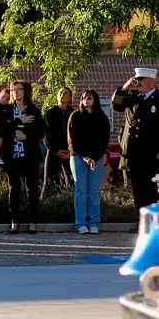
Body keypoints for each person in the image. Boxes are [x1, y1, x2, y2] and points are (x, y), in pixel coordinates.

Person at [2, 80, 45, 234]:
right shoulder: (7, 111)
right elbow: (3, 128)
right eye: (13, 89)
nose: (16, 92)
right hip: (13, 156)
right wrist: (18, 121)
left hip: (30, 155)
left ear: (26, 91)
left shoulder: (34, 111)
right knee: (14, 189)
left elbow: (40, 133)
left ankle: (32, 222)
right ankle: (15, 221)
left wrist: (26, 137)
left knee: (32, 189)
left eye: (19, 89)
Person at [113, 69, 159, 210]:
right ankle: (141, 223)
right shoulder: (134, 97)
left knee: (152, 191)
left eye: (141, 80)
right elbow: (116, 105)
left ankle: (153, 224)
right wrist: (124, 88)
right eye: (137, 80)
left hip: (152, 154)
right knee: (138, 191)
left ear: (151, 81)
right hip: (134, 153)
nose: (138, 83)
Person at [68, 90, 110, 234]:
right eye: (85, 97)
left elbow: (104, 140)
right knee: (80, 190)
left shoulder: (102, 118)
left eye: (90, 97)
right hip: (78, 157)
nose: (87, 99)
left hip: (96, 158)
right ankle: (80, 223)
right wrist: (85, 156)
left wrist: (95, 156)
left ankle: (94, 223)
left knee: (93, 190)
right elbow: (72, 140)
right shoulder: (75, 116)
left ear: (95, 100)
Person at [43, 87, 73, 195]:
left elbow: (77, 135)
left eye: (65, 93)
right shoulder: (50, 113)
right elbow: (46, 135)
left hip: (69, 152)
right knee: (49, 183)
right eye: (60, 92)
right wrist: (55, 150)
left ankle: (70, 205)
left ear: (69, 98)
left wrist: (71, 151)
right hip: (53, 152)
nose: (62, 94)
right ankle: (47, 207)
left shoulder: (74, 114)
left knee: (71, 181)